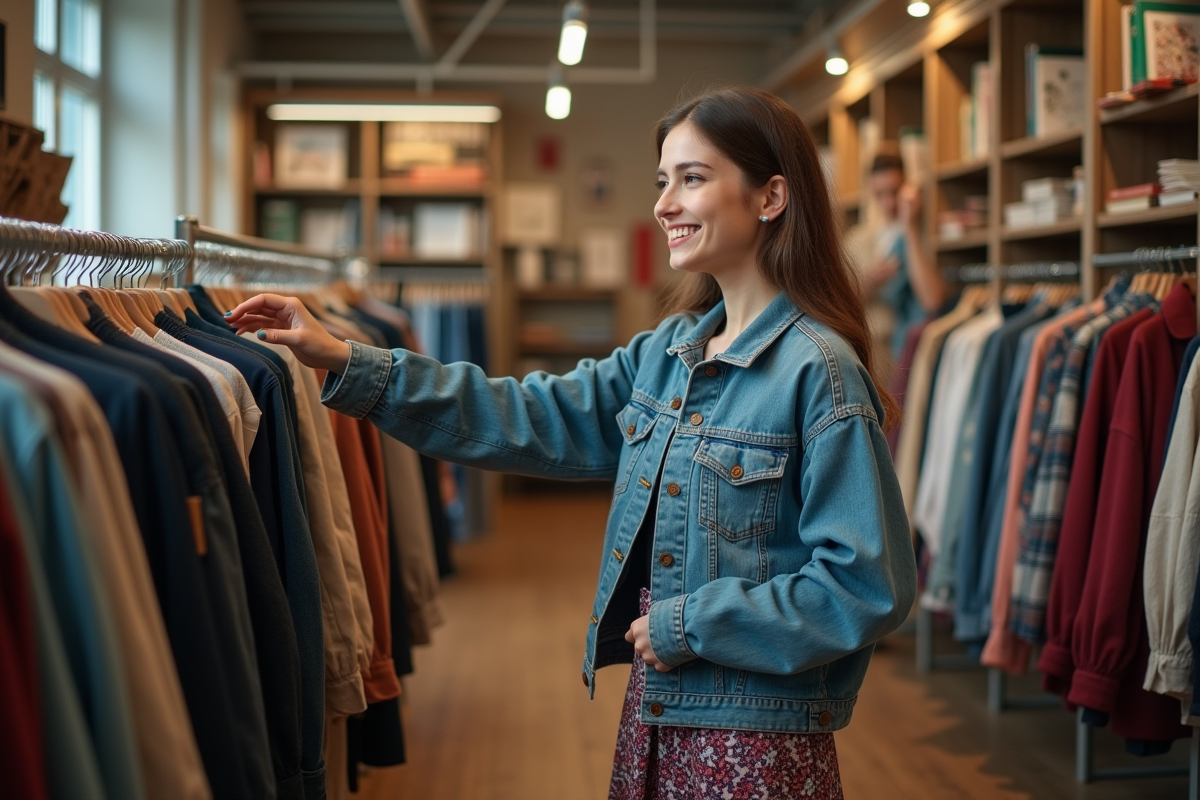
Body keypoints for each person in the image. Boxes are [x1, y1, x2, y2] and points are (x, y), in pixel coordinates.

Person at [227, 86, 917, 800]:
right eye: (662, 181)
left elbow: (866, 586)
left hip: (755, 740)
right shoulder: (668, 355)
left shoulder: (820, 372)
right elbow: (526, 413)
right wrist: (348, 360)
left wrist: (691, 622)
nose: (664, 204)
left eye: (693, 178)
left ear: (771, 197)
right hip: (658, 708)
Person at [848, 150, 948, 362]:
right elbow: (840, 304)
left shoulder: (923, 235)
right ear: (871, 191)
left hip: (911, 352)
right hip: (870, 350)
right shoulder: (856, 240)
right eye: (880, 194)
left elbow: (933, 301)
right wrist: (870, 283)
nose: (889, 203)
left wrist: (909, 227)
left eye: (894, 192)